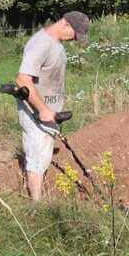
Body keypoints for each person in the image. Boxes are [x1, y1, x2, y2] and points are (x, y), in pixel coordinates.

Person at [15, 11, 90, 201]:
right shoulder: (41, 43)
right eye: (74, 34)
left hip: (48, 112)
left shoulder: (55, 43)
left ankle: (38, 195)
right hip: (36, 111)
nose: (74, 39)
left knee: (43, 154)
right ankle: (36, 206)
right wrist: (43, 110)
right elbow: (23, 79)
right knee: (36, 157)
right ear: (65, 24)